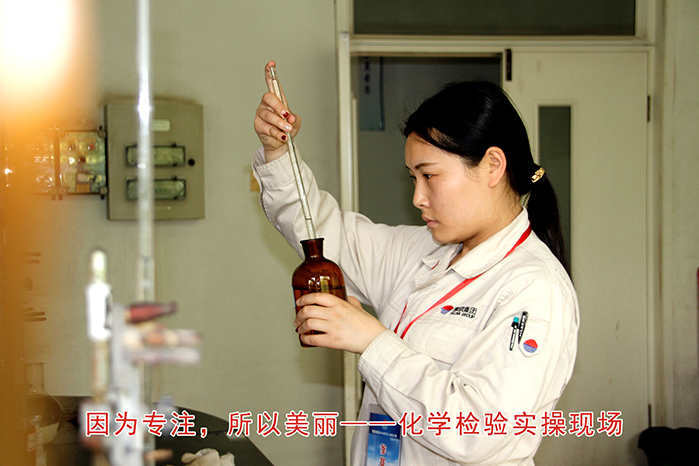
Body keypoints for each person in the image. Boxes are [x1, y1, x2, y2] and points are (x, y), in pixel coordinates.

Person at [253, 60, 578, 466]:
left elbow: (480, 430)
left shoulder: (534, 288)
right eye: (413, 178)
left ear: (493, 166)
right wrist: (279, 151)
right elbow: (322, 231)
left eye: (430, 176)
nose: (418, 198)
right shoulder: (422, 251)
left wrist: (372, 341)